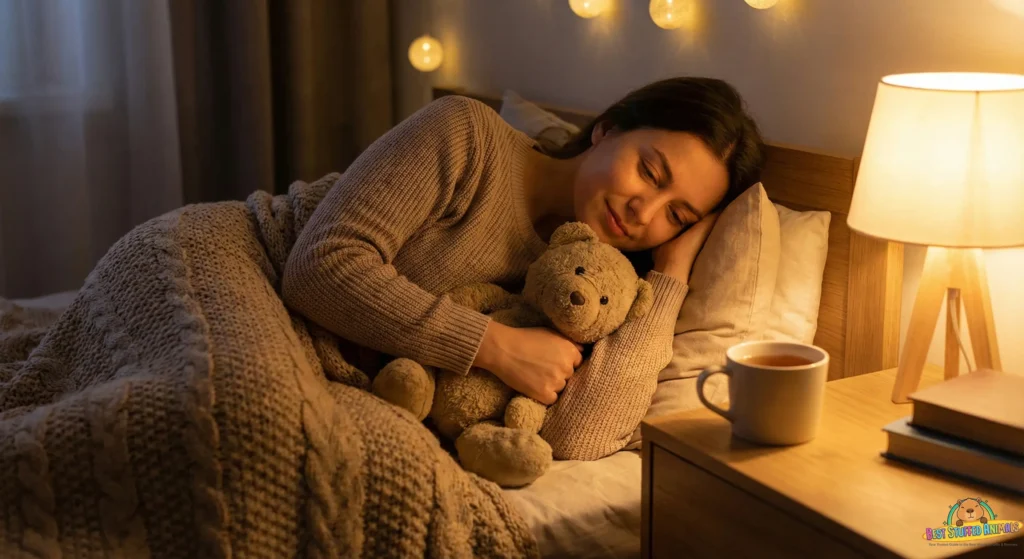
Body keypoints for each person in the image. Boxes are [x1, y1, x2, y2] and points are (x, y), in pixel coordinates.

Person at [282, 77, 764, 460]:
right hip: (253, 262)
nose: (645, 211)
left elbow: (578, 440)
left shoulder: (597, 288)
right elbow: (318, 266)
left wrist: (671, 274)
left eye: (676, 216)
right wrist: (495, 347)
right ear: (608, 129)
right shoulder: (467, 134)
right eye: (650, 172)